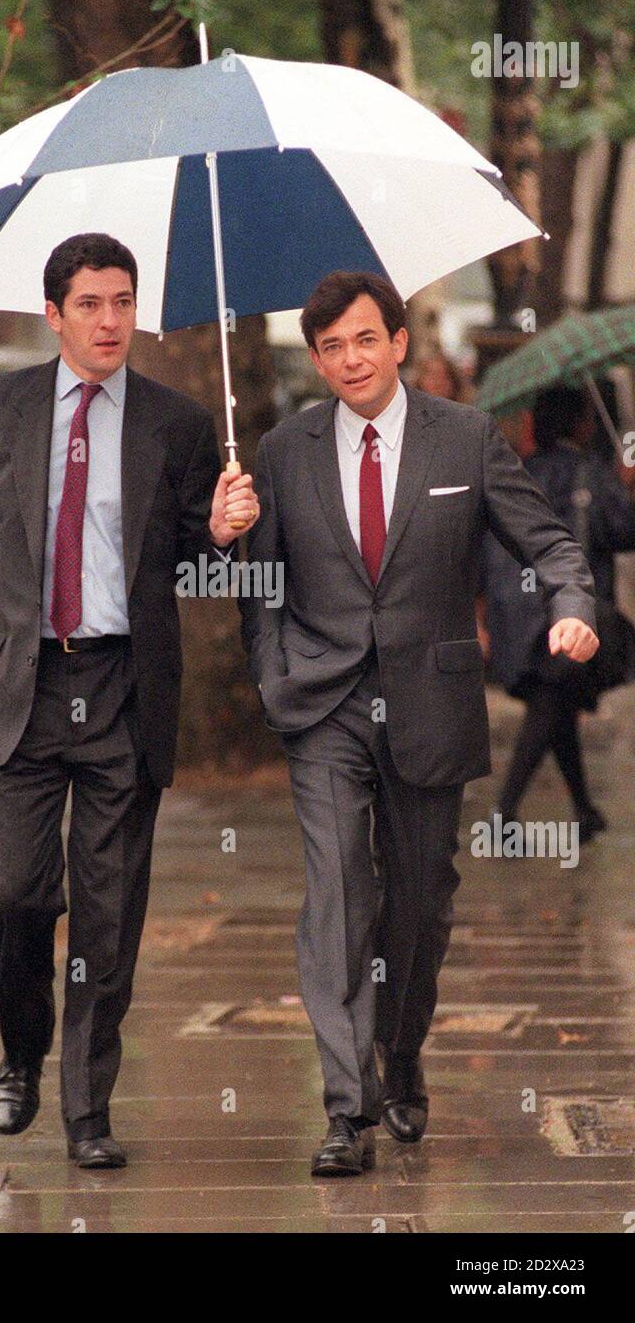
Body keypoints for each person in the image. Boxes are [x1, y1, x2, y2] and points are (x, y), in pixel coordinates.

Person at [0, 233, 259, 1169]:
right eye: (90, 304)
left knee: (107, 911)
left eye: (123, 302)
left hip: (123, 687)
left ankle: (87, 1109)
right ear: (53, 315)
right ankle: (20, 1049)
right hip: (22, 686)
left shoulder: (176, 422)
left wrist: (217, 529)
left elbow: (185, 544)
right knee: (15, 895)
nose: (109, 321)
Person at [239, 271, 598, 1178]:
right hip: (321, 704)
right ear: (316, 360)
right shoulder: (281, 450)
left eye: (365, 339)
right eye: (330, 347)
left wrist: (569, 602)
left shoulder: (465, 438)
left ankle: (401, 1057)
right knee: (337, 894)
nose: (350, 359)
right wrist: (267, 653)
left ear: (398, 342)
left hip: (431, 703)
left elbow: (548, 540)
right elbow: (258, 581)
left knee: (419, 903)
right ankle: (344, 1107)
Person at [481, 384, 635, 842]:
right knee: (551, 702)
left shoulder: (519, 472)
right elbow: (624, 530)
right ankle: (503, 814)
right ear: (581, 423)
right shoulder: (590, 474)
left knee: (557, 704)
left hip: (515, 611)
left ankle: (583, 809)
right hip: (566, 613)